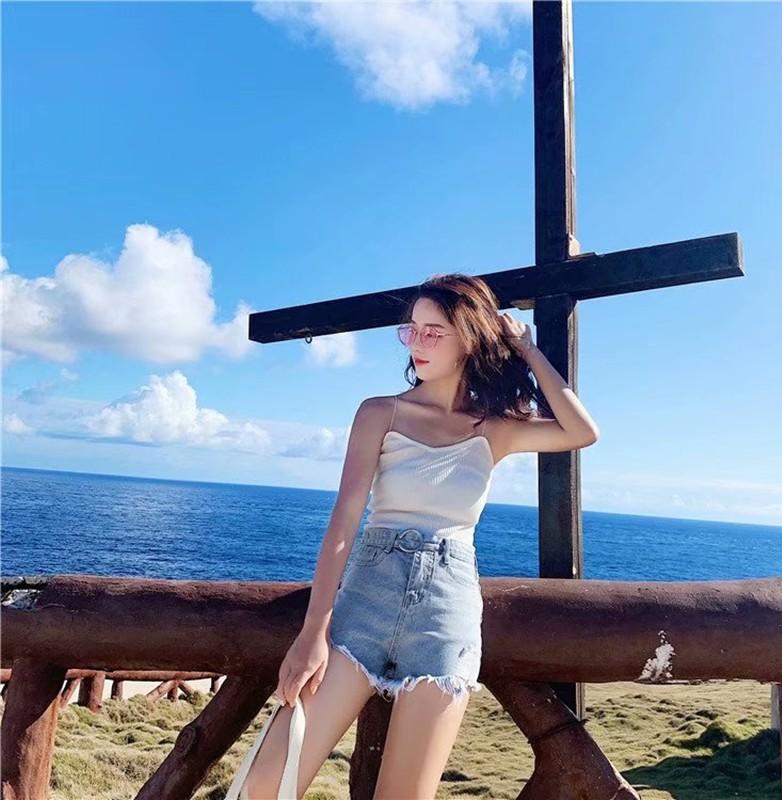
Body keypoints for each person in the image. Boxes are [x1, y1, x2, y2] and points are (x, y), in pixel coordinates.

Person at [235, 273, 599, 799]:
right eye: (412, 330)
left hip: (445, 617)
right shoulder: (381, 412)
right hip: (364, 605)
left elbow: (582, 431)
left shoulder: (494, 427)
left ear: (469, 338)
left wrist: (527, 348)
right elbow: (343, 522)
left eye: (434, 331)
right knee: (266, 784)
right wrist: (312, 633)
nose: (417, 342)